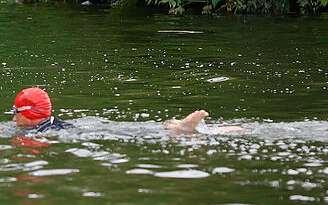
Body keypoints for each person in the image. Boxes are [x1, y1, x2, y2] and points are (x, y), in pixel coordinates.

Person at [12, 87, 243, 134]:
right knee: (145, 129)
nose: (13, 118)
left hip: (96, 133)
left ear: (28, 114)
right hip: (96, 128)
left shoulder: (39, 134)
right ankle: (219, 130)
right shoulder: (52, 123)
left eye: (15, 111)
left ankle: (182, 128)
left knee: (141, 132)